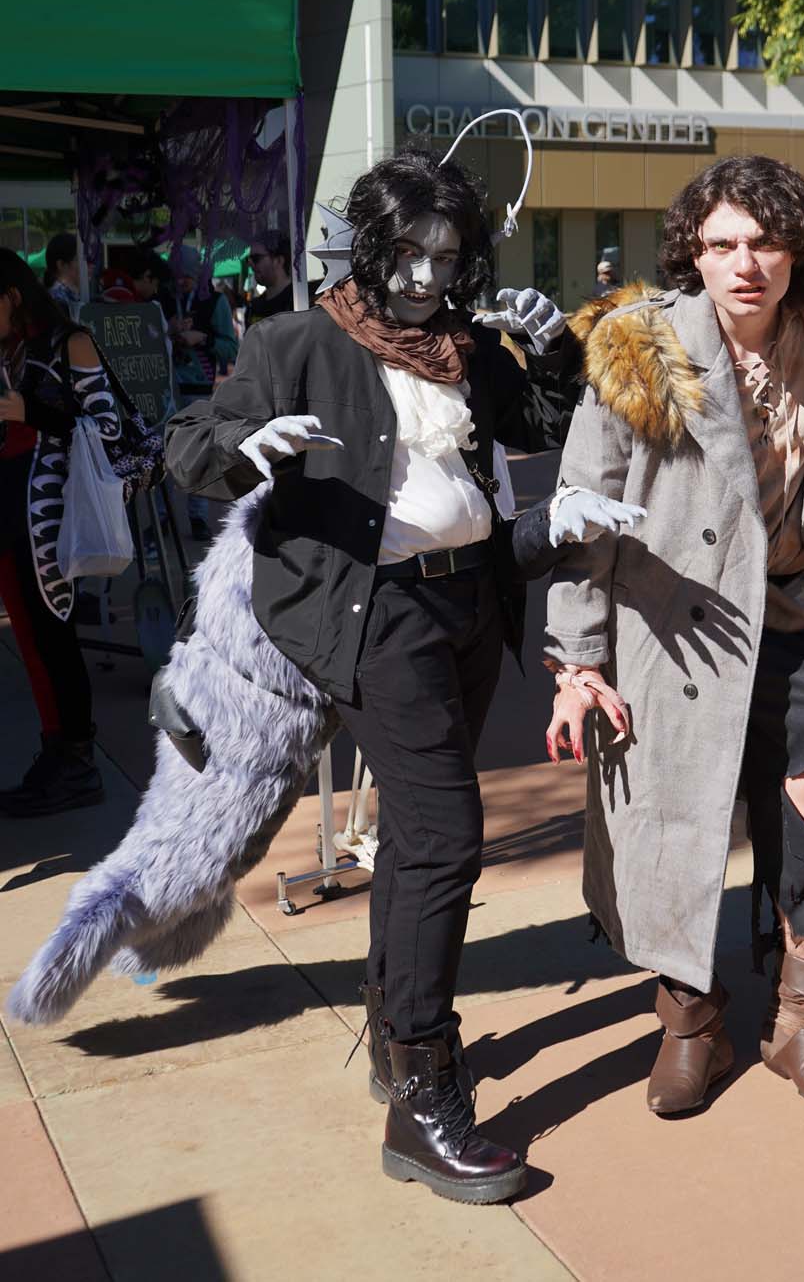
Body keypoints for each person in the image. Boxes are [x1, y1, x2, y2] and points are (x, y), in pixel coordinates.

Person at [165, 146, 610, 1205]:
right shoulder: (297, 341)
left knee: (416, 835)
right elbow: (187, 444)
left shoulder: (465, 344)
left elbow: (544, 425)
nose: (423, 276)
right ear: (369, 247)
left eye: (445, 257)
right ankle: (422, 1090)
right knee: (447, 837)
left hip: (472, 607)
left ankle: (389, 1025)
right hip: (377, 619)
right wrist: (250, 443)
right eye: (406, 253)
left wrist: (554, 350)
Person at [544, 154, 804, 1119]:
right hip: (678, 628)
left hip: (802, 613)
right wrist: (576, 659)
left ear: (797, 251)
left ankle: (801, 1021)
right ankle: (691, 1023)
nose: (744, 264)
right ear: (693, 251)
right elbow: (583, 510)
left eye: (765, 242)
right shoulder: (638, 346)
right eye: (723, 242)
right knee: (670, 823)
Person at [0, 249, 121, 817]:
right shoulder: (10, 349)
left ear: (12, 296)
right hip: (10, 512)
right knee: (31, 641)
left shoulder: (69, 342)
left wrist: (29, 411)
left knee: (55, 638)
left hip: (50, 519)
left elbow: (108, 427)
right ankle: (56, 755)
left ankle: (77, 762)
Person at [160, 245, 239, 540]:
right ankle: (162, 518)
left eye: (188, 276)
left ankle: (198, 517)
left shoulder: (215, 302)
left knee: (197, 453)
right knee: (162, 455)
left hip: (199, 390)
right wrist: (168, 333)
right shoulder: (164, 300)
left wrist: (202, 339)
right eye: (177, 276)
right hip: (165, 389)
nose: (181, 282)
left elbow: (231, 348)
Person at [246, 229, 298, 326]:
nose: (250, 264)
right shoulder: (254, 306)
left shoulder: (299, 302)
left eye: (256, 258)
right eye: (248, 260)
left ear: (278, 260)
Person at [43, 231, 82, 322]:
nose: (85, 266)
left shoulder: (71, 297)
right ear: (61, 265)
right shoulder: (57, 301)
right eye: (78, 259)